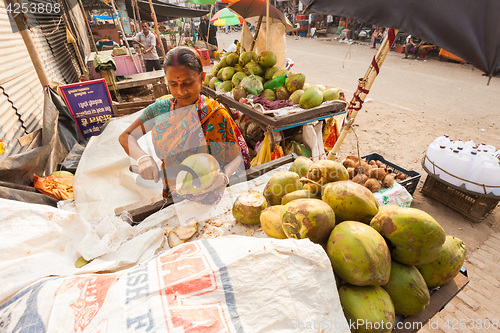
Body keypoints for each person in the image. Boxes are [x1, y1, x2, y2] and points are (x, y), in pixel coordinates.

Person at [119, 46, 250, 205]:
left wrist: (224, 177)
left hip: (213, 195)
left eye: (188, 83)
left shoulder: (216, 113)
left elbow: (237, 154)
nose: (181, 92)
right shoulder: (159, 111)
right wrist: (143, 158)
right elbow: (126, 136)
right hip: (175, 197)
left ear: (202, 78)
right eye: (173, 84)